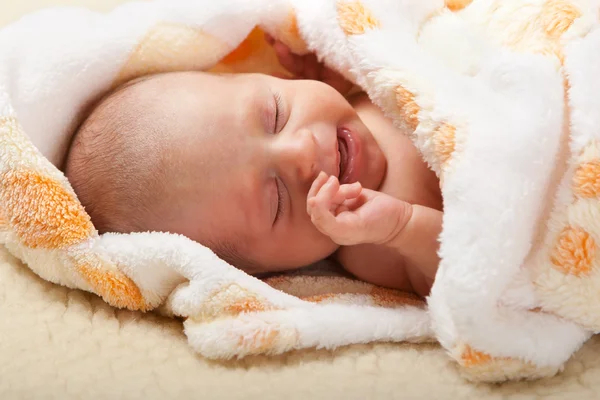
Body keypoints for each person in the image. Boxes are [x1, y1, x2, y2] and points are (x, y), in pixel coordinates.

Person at [64, 37, 443, 297]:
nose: (302, 151)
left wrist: (340, 65)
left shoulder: (354, 88)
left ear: (278, 80)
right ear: (271, 271)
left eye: (276, 114)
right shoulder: (372, 245)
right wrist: (403, 226)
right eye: (277, 199)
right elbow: (464, 273)